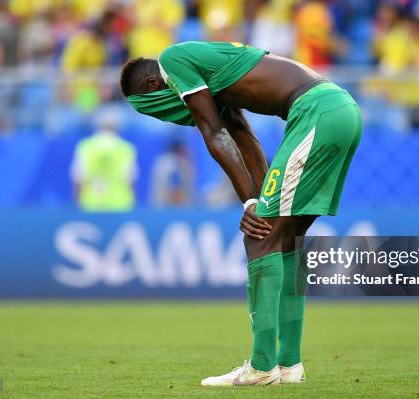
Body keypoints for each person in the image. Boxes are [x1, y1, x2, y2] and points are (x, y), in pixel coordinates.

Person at [119, 41, 362, 386]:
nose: (163, 115)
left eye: (151, 109)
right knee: (286, 238)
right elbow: (241, 133)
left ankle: (262, 367)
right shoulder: (210, 76)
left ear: (152, 86)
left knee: (258, 236)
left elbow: (212, 132)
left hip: (315, 113)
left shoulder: (172, 61)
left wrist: (250, 203)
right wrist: (258, 198)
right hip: (338, 109)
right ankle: (289, 365)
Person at [70, 112, 137, 211]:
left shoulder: (86, 146)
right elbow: (130, 179)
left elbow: (78, 178)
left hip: (91, 203)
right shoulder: (125, 148)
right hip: (120, 204)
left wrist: (77, 202)